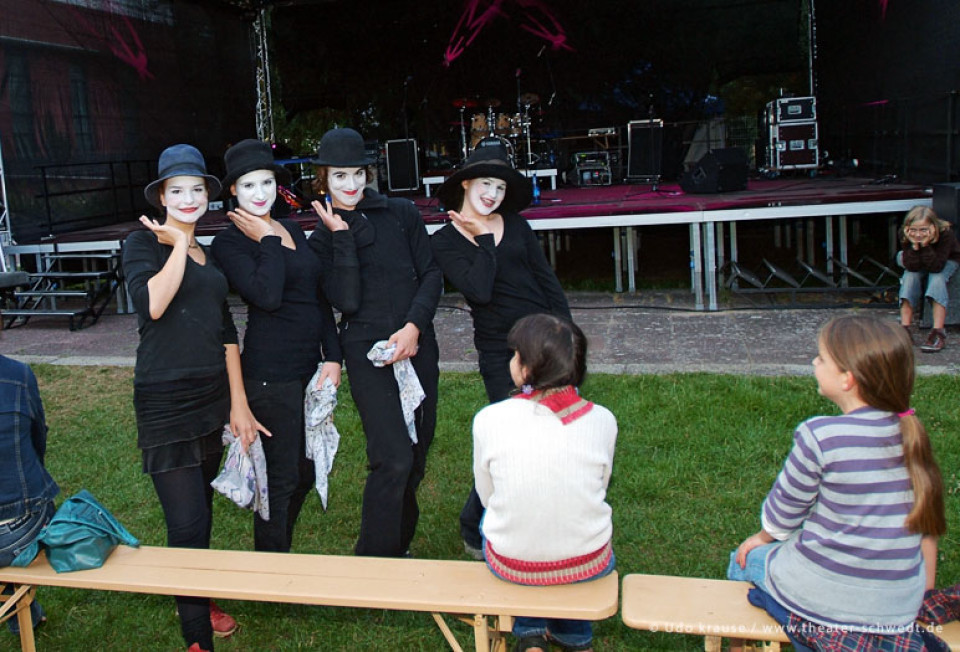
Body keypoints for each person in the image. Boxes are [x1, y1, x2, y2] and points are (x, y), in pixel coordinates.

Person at [122, 144, 267, 652]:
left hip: (212, 397)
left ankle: (197, 596)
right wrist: (178, 245)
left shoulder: (209, 253)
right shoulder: (142, 244)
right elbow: (153, 305)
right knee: (186, 523)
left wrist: (239, 403)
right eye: (176, 190)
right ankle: (196, 639)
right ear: (162, 196)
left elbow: (227, 330)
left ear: (208, 194)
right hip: (166, 401)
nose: (188, 198)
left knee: (201, 514)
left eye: (196, 189)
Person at [729, 314, 946, 651]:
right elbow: (926, 527)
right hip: (897, 610)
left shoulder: (820, 435)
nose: (814, 362)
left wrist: (760, 537)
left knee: (743, 559)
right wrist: (919, 594)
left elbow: (784, 513)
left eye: (821, 358)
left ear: (847, 379)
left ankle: (757, 641)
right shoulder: (913, 436)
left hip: (824, 599)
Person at [431, 142, 571, 559]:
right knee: (514, 439)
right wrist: (483, 242)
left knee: (551, 435)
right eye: (485, 184)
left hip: (545, 339)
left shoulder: (517, 225)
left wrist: (567, 335)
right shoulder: (445, 241)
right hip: (502, 352)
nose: (492, 194)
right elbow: (479, 289)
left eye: (500, 187)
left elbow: (546, 279)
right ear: (466, 183)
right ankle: (474, 524)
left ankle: (540, 516)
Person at [306, 127, 442, 558]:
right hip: (366, 353)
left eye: (357, 174)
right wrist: (340, 235)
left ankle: (396, 548)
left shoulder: (402, 213)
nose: (351, 185)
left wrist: (414, 327)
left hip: (418, 344)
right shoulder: (321, 239)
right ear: (323, 180)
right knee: (393, 458)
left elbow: (432, 274)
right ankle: (373, 562)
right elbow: (344, 300)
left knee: (415, 459)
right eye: (339, 177)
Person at [211, 138, 342, 553]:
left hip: (308, 368)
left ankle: (277, 555)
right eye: (249, 185)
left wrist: (334, 356)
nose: (261, 193)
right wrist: (267, 239)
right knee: (281, 476)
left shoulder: (290, 228)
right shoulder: (229, 243)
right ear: (233, 190)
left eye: (267, 182)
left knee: (304, 472)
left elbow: (316, 295)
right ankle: (272, 564)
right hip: (270, 374)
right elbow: (266, 295)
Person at [473, 313, 617, 652]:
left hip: (513, 564)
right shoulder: (603, 420)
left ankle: (530, 631)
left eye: (515, 354)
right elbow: (600, 484)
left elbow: (486, 495)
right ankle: (575, 638)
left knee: (501, 519)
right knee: (570, 519)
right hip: (587, 561)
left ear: (525, 371)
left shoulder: (489, 419)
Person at [0, 334, 59, 636]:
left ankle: (21, 609)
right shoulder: (19, 375)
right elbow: (38, 441)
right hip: (19, 531)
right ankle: (22, 610)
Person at [897, 205, 960, 353]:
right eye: (914, 230)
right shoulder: (906, 234)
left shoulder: (945, 234)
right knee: (909, 277)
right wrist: (914, 245)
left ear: (933, 227)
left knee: (937, 279)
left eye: (923, 230)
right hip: (917, 259)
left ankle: (938, 331)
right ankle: (905, 328)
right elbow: (912, 266)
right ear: (907, 228)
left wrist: (924, 245)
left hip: (944, 260)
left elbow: (936, 266)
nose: (918, 234)